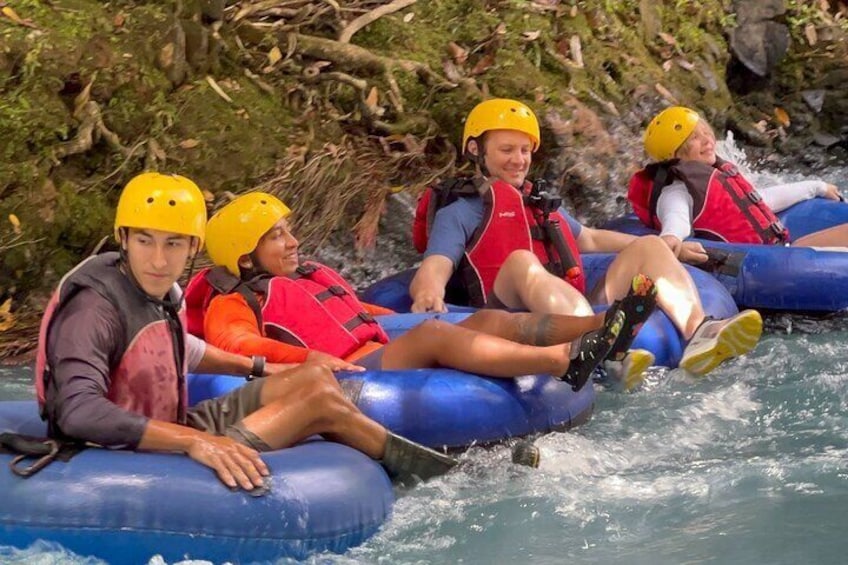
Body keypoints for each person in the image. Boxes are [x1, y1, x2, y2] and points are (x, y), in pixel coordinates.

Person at [35, 172, 466, 490]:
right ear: (123, 238)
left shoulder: (163, 292)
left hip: (170, 424)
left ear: (193, 249)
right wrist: (192, 442)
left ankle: (421, 472)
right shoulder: (93, 306)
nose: (157, 259)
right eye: (144, 240)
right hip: (120, 454)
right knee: (318, 403)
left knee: (313, 378)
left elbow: (176, 349)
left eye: (173, 244)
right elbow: (78, 412)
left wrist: (261, 368)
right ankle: (439, 478)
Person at [408, 98, 763, 378]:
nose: (518, 160)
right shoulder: (461, 210)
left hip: (569, 302)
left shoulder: (535, 201)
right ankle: (595, 347)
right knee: (522, 262)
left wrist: (676, 248)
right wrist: (428, 292)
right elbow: (436, 264)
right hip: (503, 313)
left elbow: (588, 239)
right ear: (475, 150)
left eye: (525, 150)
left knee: (651, 244)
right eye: (506, 150)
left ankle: (698, 333)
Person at [186, 192, 658, 395]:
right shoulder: (234, 301)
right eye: (277, 237)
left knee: (487, 321)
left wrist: (451, 313)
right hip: (349, 375)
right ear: (244, 256)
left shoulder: (305, 275)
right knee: (435, 335)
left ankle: (604, 324)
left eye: (289, 232)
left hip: (377, 350)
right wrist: (308, 359)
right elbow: (232, 347)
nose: (293, 243)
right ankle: (564, 360)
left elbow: (356, 312)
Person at [629, 106, 847, 250]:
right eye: (693, 139)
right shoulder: (676, 191)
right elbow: (676, 221)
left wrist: (817, 187)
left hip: (778, 250)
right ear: (674, 154)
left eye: (706, 133)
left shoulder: (714, 177)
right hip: (767, 265)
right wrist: (671, 239)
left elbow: (759, 200)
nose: (706, 140)